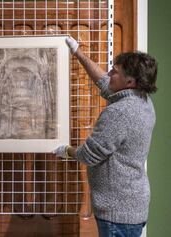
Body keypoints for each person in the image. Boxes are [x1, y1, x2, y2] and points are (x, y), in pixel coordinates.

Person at [53, 37, 158, 237]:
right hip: (130, 205)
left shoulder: (120, 112)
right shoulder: (142, 100)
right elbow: (104, 82)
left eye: (115, 71)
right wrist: (78, 52)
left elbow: (88, 155)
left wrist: (66, 150)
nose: (109, 73)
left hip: (117, 212)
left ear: (130, 81)